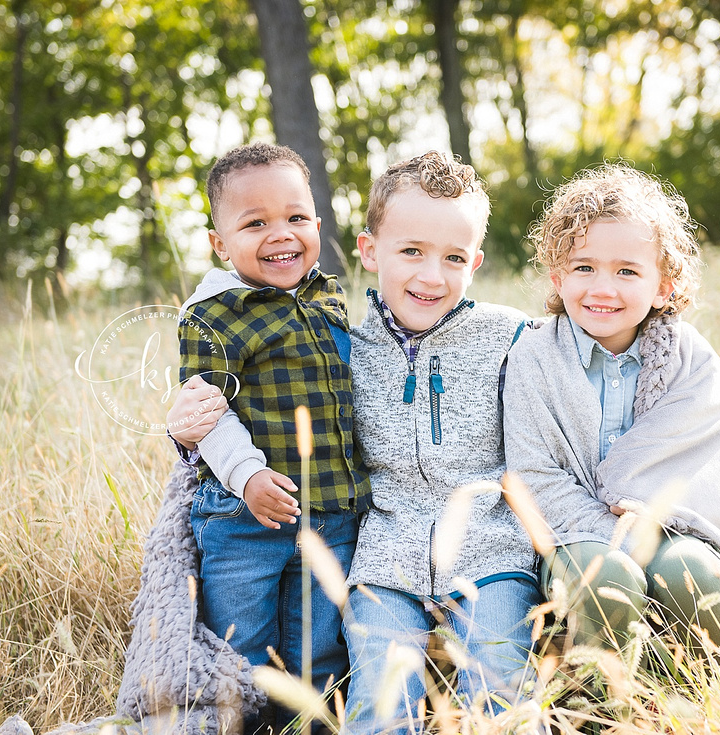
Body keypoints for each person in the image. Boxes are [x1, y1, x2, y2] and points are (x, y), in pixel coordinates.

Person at [174, 152, 541, 733]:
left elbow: (580, 368)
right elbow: (222, 404)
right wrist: (194, 433)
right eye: (412, 252)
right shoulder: (341, 343)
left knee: (493, 676)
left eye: (452, 258)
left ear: (475, 261)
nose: (430, 276)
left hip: (484, 551)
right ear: (371, 252)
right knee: (358, 691)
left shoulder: (511, 337)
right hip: (376, 558)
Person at [502, 162, 720, 696]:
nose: (603, 288)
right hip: (571, 535)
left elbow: (704, 466)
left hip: (670, 528)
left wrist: (649, 537)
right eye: (583, 268)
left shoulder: (686, 358)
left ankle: (714, 699)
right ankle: (602, 712)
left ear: (663, 285)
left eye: (627, 271)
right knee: (607, 580)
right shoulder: (535, 356)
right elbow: (533, 474)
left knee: (694, 577)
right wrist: (619, 542)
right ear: (557, 277)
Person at [172, 141, 371, 733]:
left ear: (316, 222)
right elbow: (209, 414)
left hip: (331, 510)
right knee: (241, 646)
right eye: (254, 223)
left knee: (320, 646)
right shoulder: (212, 313)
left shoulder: (329, 295)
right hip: (242, 519)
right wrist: (248, 477)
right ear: (220, 243)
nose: (280, 234)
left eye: (295, 218)